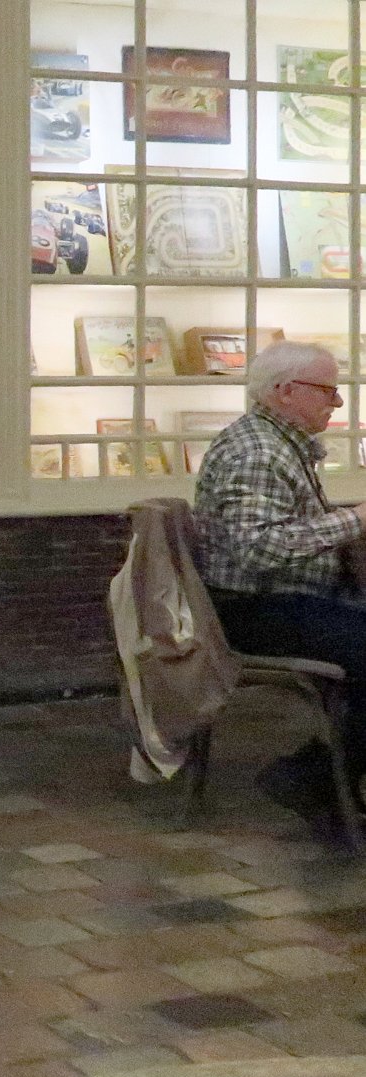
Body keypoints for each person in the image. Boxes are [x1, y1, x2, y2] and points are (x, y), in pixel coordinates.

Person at [194, 339, 366, 833]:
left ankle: (327, 777)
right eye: (328, 391)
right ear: (286, 391)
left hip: (280, 600)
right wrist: (355, 520)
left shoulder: (276, 444)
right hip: (255, 609)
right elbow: (260, 549)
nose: (337, 402)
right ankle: (311, 778)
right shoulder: (258, 453)